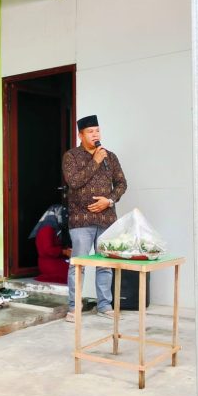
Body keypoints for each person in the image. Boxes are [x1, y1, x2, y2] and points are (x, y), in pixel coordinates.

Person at [62, 114, 127, 322]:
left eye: (97, 131)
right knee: (78, 265)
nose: (95, 135)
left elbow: (122, 183)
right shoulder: (71, 157)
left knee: (105, 264)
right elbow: (74, 182)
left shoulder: (110, 156)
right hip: (81, 219)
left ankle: (104, 306)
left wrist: (109, 200)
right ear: (80, 135)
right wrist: (95, 161)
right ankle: (74, 308)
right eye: (90, 131)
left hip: (107, 219)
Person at [29, 204, 71, 284]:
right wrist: (64, 252)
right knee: (72, 272)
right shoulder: (46, 229)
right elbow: (47, 250)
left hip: (55, 261)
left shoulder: (55, 229)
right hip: (49, 263)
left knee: (75, 269)